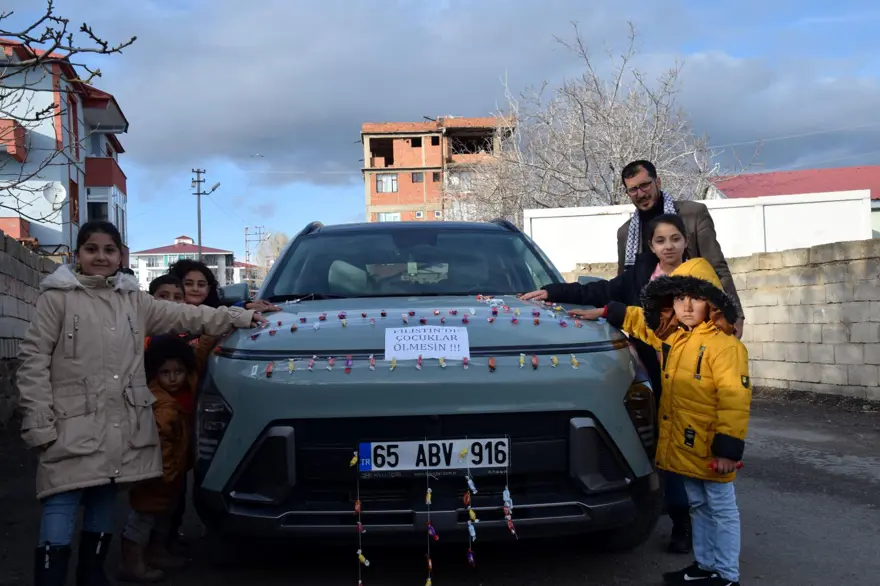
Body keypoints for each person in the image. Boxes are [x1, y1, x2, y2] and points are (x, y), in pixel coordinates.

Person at [16, 221, 265, 586]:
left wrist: (239, 315)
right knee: (61, 502)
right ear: (78, 254)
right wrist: (39, 423)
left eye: (109, 250)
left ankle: (92, 575)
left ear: (121, 256)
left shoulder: (133, 300)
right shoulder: (57, 298)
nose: (101, 257)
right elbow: (32, 361)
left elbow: (189, 315)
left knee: (103, 500)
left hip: (120, 424)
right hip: (68, 425)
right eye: (91, 249)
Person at [521, 213, 694, 553]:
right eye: (661, 240)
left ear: (686, 241)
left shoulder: (699, 277)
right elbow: (598, 291)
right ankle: (680, 520)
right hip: (653, 371)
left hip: (691, 376)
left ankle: (699, 525)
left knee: (692, 449)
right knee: (666, 449)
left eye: (675, 239)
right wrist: (553, 291)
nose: (668, 247)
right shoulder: (642, 274)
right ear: (651, 246)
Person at [578, 258, 751, 586]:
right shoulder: (675, 337)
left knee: (721, 509)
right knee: (697, 505)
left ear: (712, 302)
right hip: (688, 444)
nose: (687, 306)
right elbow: (642, 324)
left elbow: (735, 400)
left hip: (714, 449)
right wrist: (608, 312)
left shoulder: (725, 347)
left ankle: (727, 575)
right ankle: (705, 565)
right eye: (679, 298)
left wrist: (728, 449)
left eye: (696, 298)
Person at [616, 159, 745, 339]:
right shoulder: (626, 233)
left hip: (693, 325)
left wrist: (735, 315)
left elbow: (716, 267)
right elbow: (623, 282)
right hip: (647, 329)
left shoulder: (693, 215)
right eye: (633, 189)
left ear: (658, 182)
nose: (640, 193)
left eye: (645, 185)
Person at [119, 336, 195, 582]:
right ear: (155, 372)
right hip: (155, 474)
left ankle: (157, 552)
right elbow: (159, 444)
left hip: (172, 473)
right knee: (143, 517)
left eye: (178, 372)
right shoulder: (161, 404)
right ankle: (132, 562)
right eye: (165, 373)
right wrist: (165, 474)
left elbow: (201, 354)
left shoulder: (187, 389)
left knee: (164, 514)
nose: (173, 378)